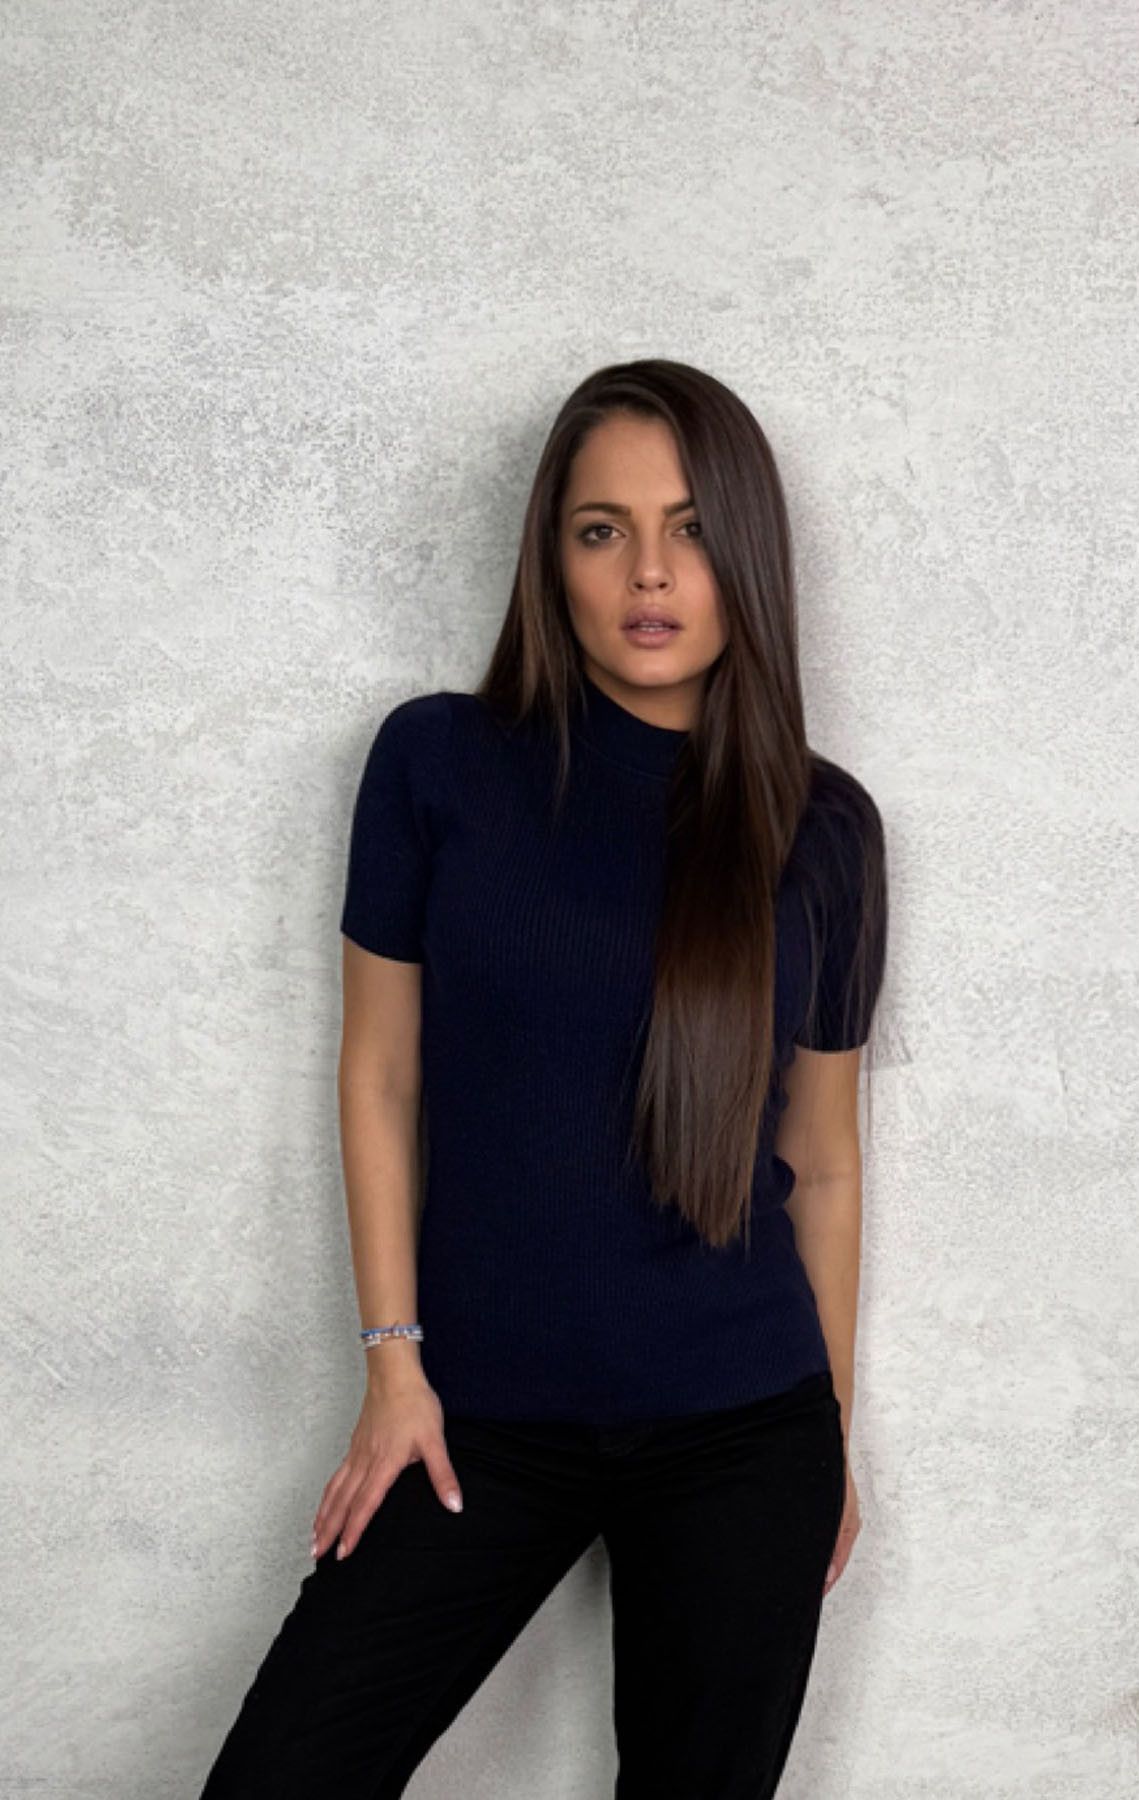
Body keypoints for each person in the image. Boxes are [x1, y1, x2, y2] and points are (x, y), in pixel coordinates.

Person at [198, 358, 888, 1798]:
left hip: (742, 1431)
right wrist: (394, 1366)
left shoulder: (821, 828)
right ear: (549, 556)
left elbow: (823, 1161)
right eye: (601, 530)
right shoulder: (438, 764)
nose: (650, 573)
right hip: (476, 1418)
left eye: (690, 529)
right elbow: (381, 1074)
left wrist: (828, 1430)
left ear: (746, 556)